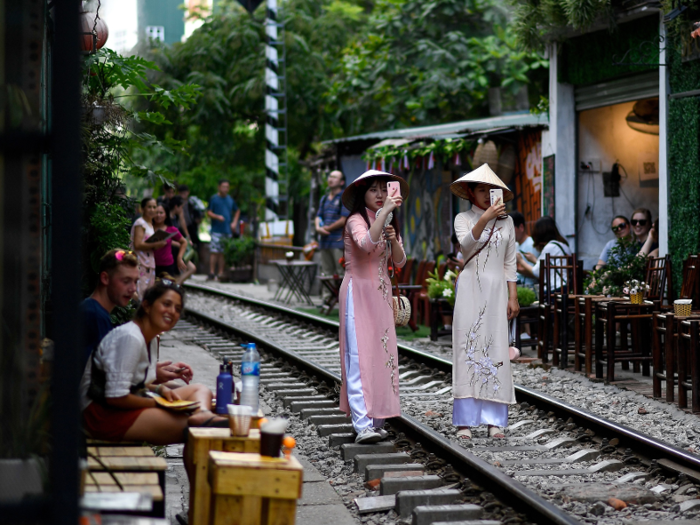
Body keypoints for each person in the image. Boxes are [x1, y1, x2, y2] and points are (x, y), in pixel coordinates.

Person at [80, 281, 227, 446]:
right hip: (101, 415)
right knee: (196, 431)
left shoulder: (148, 337)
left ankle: (203, 413)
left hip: (116, 405)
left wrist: (160, 388)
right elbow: (116, 396)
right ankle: (202, 421)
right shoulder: (131, 338)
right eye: (166, 304)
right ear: (147, 306)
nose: (172, 311)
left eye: (177, 309)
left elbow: (129, 381)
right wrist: (157, 403)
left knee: (200, 389)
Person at [449, 164, 519, 440]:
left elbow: (509, 262)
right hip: (470, 288)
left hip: (496, 290)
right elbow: (465, 246)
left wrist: (513, 295)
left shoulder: (508, 223)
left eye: (493, 190)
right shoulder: (462, 218)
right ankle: (464, 421)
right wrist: (486, 217)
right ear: (470, 192)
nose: (489, 194)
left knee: (495, 351)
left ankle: (494, 421)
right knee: (467, 349)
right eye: (482, 190)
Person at [338, 170, 408, 444]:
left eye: (383, 190)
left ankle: (376, 420)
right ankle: (362, 423)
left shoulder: (389, 221)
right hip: (358, 293)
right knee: (358, 357)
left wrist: (392, 238)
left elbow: (400, 262)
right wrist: (384, 215)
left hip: (381, 296)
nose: (380, 195)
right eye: (373, 190)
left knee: (382, 355)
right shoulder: (355, 220)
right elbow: (366, 244)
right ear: (362, 195)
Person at [81, 248, 195, 382]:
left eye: (135, 281)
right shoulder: (94, 316)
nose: (133, 289)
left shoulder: (96, 312)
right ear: (105, 278)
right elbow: (101, 381)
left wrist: (150, 370)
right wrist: (152, 375)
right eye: (126, 281)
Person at [516, 216, 573, 293]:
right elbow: (551, 265)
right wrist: (534, 260)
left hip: (555, 289)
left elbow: (537, 272)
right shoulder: (563, 245)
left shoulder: (550, 247)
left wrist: (521, 261)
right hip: (565, 287)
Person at [131, 197, 168, 299]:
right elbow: (138, 245)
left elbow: (148, 246)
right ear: (143, 208)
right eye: (149, 207)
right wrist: (156, 244)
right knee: (139, 293)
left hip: (149, 263)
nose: (152, 210)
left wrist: (158, 244)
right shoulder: (140, 223)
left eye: (154, 207)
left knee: (147, 294)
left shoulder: (150, 225)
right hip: (140, 263)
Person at [315, 170, 350, 278]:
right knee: (326, 273)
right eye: (330, 176)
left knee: (341, 273)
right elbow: (318, 216)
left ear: (341, 182)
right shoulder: (324, 198)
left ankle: (340, 295)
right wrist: (317, 228)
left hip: (338, 242)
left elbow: (344, 219)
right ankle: (327, 295)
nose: (330, 179)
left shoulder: (344, 197)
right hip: (324, 242)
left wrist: (327, 229)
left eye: (334, 177)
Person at [207, 179, 240, 281]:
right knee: (214, 251)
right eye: (223, 186)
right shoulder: (214, 199)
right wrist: (217, 217)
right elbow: (208, 212)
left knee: (223, 252)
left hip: (227, 230)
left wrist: (234, 223)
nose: (225, 189)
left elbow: (237, 210)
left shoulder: (230, 199)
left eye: (227, 187)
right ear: (219, 187)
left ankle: (221, 272)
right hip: (216, 229)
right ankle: (212, 272)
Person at [152, 204, 188, 279]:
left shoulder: (171, 229)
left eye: (161, 213)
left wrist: (179, 258)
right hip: (150, 264)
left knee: (166, 289)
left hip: (167, 265)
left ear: (166, 215)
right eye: (156, 212)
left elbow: (184, 242)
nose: (158, 215)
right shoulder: (148, 227)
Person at [509, 211, 540, 287]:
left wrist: (514, 268)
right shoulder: (515, 244)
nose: (509, 233)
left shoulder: (531, 244)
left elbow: (535, 272)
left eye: (511, 229)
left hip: (530, 287)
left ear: (521, 227)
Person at [178, 184, 203, 249]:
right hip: (180, 228)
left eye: (185, 193)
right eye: (181, 193)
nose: (183, 194)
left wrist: (198, 219)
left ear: (188, 192)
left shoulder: (192, 202)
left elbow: (200, 211)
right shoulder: (177, 203)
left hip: (192, 226)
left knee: (194, 244)